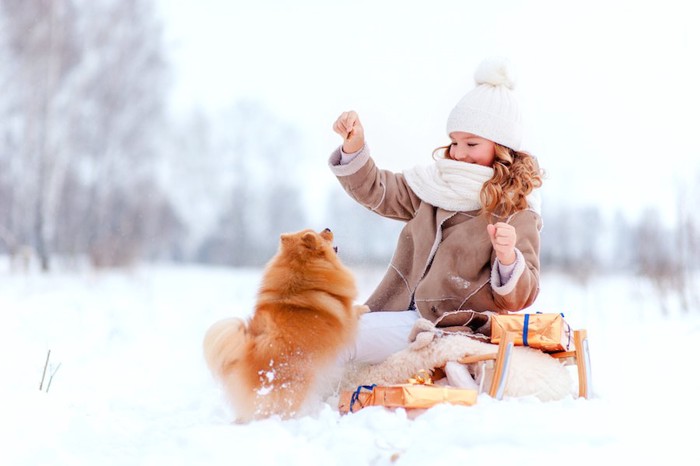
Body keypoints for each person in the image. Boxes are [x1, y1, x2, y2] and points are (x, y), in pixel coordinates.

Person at [329, 57, 543, 377]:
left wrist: (509, 257)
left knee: (344, 338)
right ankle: (305, 396)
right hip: (401, 313)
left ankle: (289, 402)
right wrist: (354, 149)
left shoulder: (515, 209)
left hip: (453, 324)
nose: (458, 153)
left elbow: (521, 296)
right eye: (454, 142)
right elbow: (379, 191)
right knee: (332, 329)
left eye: (471, 143)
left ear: (502, 148)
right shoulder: (433, 188)